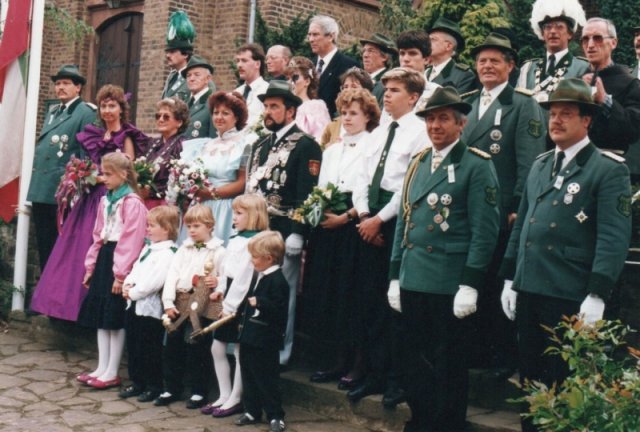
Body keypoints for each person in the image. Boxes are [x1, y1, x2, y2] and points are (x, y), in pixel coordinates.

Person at [499, 78, 632, 432]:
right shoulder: (541, 165)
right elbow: (523, 224)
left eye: (566, 114)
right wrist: (511, 277)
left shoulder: (607, 169)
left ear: (586, 120)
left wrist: (597, 293)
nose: (555, 121)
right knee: (531, 384)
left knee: (566, 388)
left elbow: (613, 239)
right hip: (530, 289)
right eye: (552, 113)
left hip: (569, 293)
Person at [388, 86, 500, 432]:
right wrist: (395, 274)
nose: (436, 126)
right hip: (414, 277)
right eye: (431, 119)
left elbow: (485, 232)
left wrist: (470, 283)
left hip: (448, 280)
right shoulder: (419, 162)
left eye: (444, 119)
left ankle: (449, 424)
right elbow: (404, 221)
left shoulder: (476, 165)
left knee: (449, 362)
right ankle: (421, 420)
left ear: (460, 124)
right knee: (413, 360)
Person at [462, 32, 547, 373]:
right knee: (472, 280)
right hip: (466, 210)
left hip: (500, 211)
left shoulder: (524, 104)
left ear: (511, 66)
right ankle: (476, 350)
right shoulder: (467, 103)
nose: (487, 66)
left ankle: (501, 354)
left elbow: (529, 162)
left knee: (498, 282)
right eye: (482, 60)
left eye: (495, 60)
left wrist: (516, 206)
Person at [30, 84, 147, 322]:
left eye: (112, 105)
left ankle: (88, 311)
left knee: (95, 250)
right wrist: (81, 175)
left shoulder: (126, 137)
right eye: (103, 106)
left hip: (110, 199)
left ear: (121, 109)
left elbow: (128, 171)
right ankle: (63, 308)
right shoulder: (94, 134)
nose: (107, 111)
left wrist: (98, 177)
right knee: (74, 251)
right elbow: (87, 162)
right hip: (89, 199)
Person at [347, 68, 430, 406]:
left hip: (397, 224)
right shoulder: (378, 133)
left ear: (413, 96)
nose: (387, 95)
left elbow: (409, 185)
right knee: (370, 304)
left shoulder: (420, 133)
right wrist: (365, 216)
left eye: (395, 90)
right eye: (386, 89)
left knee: (395, 306)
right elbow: (362, 178)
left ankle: (398, 381)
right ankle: (374, 374)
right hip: (369, 224)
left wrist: (380, 220)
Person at [304, 88, 380, 389]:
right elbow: (323, 187)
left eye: (354, 113)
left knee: (353, 296)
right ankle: (336, 361)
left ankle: (358, 363)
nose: (347, 119)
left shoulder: (372, 146)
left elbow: (367, 191)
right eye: (344, 113)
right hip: (328, 229)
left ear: (368, 116)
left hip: (352, 226)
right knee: (331, 294)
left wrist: (345, 217)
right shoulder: (332, 150)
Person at [246, 80, 322, 365]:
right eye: (266, 106)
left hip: (283, 232)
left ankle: (281, 349)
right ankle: (255, 341)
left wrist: (298, 233)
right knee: (255, 289)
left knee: (282, 294)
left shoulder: (306, 146)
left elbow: (307, 193)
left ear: (291, 111)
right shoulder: (262, 144)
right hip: (257, 229)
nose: (268, 112)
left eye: (275, 107)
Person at [75, 152, 148, 389]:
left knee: (114, 317)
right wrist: (91, 265)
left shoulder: (132, 203)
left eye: (108, 174)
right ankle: (101, 366)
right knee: (101, 315)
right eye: (102, 173)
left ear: (124, 175)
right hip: (105, 257)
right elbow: (98, 234)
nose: (103, 178)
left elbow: (131, 240)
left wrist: (121, 274)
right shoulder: (106, 200)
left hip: (120, 261)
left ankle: (112, 371)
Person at [202, 194, 269, 418]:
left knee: (240, 350)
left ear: (254, 216)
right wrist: (220, 288)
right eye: (235, 213)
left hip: (242, 299)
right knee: (217, 346)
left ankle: (236, 398)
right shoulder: (237, 237)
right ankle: (224, 393)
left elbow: (243, 279)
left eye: (240, 213)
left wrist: (230, 305)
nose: (235, 217)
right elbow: (227, 270)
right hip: (229, 294)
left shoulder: (255, 242)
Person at [156, 204, 226, 408]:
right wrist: (168, 302)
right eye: (189, 226)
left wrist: (218, 283)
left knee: (198, 346)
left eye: (196, 226)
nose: (192, 231)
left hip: (203, 304)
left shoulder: (219, 251)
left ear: (210, 226)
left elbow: (225, 277)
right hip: (180, 301)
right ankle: (171, 387)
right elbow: (172, 275)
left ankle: (199, 390)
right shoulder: (183, 250)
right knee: (173, 345)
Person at [27, 64, 96, 270]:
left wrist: (78, 188)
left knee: (60, 247)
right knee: (44, 245)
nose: (60, 88)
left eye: (66, 83)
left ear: (78, 88)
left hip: (63, 191)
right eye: (58, 84)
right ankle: (44, 296)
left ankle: (55, 296)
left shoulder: (86, 113)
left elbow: (87, 154)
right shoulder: (53, 112)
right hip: (42, 189)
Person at [119, 205, 180, 402]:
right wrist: (127, 283)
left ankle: (153, 385)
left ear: (167, 228)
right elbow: (136, 268)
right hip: (134, 304)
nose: (148, 229)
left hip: (149, 308)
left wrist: (134, 292)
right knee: (134, 345)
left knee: (149, 348)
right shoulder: (149, 248)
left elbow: (155, 281)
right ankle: (137, 382)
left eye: (152, 226)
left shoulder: (168, 253)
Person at [179, 91, 256, 244]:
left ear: (237, 117)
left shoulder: (245, 144)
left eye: (225, 113)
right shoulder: (204, 145)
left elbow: (242, 183)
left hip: (225, 207)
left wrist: (211, 194)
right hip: (201, 207)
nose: (219, 117)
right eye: (216, 113)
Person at [234, 231, 289, 432]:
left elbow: (279, 308)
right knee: (248, 373)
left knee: (266, 377)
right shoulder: (261, 276)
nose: (252, 260)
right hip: (251, 336)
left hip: (266, 339)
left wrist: (261, 303)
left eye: (255, 257)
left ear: (268, 258)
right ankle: (252, 410)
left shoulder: (278, 280)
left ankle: (275, 415)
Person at [580, 18, 640, 157]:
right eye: (585, 39)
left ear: (613, 43)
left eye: (598, 38)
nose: (590, 45)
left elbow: (633, 131)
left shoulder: (630, 83)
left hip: (610, 164)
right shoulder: (575, 81)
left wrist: (606, 100)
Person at [517, 0, 589, 103]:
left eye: (559, 27)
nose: (553, 31)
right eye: (548, 27)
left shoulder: (582, 68)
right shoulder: (527, 69)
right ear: (542, 34)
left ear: (570, 34)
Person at [141, 98, 189, 209]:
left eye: (166, 117)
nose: (161, 120)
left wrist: (152, 192)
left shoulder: (183, 145)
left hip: (166, 205)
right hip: (145, 202)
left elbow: (180, 181)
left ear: (179, 122)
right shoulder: (152, 144)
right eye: (158, 116)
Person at [308, 15, 359, 118]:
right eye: (309, 35)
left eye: (315, 35)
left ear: (331, 36)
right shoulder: (309, 65)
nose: (311, 39)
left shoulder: (348, 65)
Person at [320, 67, 374, 148]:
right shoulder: (332, 126)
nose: (348, 90)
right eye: (345, 87)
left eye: (354, 86)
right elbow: (321, 150)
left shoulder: (375, 126)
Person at [425, 17, 476, 93]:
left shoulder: (463, 75)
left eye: (433, 39)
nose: (427, 43)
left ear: (448, 46)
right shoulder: (425, 73)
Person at [287, 56, 331, 141]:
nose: (290, 82)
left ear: (307, 81)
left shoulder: (315, 107)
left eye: (295, 78)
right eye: (288, 78)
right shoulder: (285, 106)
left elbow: (322, 138)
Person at [161, 11, 195, 102]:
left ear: (185, 54)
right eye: (167, 52)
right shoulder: (172, 76)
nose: (168, 55)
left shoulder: (193, 77)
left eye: (172, 51)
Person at [235, 44, 270, 129]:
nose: (239, 65)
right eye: (237, 61)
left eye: (244, 61)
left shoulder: (267, 90)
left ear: (257, 64)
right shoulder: (235, 93)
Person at [181, 55, 216, 139]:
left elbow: (214, 139)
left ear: (208, 79)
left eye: (197, 75)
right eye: (188, 75)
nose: (192, 78)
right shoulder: (184, 104)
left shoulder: (214, 104)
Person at [360, 33, 397, 107]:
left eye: (370, 51)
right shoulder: (359, 80)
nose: (365, 55)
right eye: (364, 51)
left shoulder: (387, 82)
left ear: (384, 57)